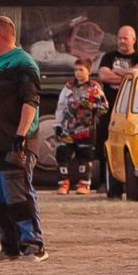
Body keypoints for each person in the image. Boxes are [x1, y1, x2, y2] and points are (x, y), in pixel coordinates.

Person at [0, 15, 45, 261]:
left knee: (19, 195)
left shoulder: (23, 62)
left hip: (14, 142)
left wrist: (20, 135)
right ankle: (10, 247)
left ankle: (34, 246)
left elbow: (30, 101)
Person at [92, 24, 138, 194]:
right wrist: (129, 73)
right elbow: (103, 75)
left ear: (134, 40)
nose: (121, 41)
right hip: (109, 109)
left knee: (127, 145)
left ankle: (127, 180)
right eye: (119, 38)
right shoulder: (108, 56)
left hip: (130, 111)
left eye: (125, 38)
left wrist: (118, 72)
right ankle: (104, 181)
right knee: (105, 143)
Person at [52, 56, 101, 196]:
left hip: (87, 129)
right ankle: (63, 183)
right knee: (62, 154)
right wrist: (58, 124)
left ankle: (84, 183)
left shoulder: (94, 87)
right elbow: (61, 106)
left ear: (89, 71)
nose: (78, 73)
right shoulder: (68, 87)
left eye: (81, 70)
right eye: (76, 70)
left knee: (85, 157)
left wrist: (90, 107)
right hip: (68, 128)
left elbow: (104, 106)